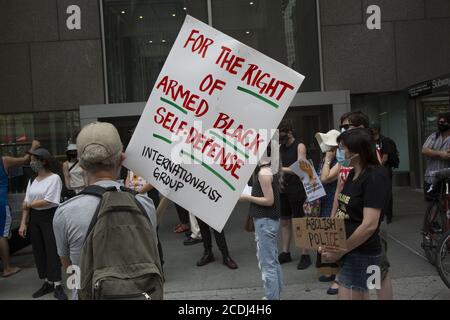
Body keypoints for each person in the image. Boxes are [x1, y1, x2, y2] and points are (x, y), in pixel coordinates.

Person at [53, 122, 158, 300]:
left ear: (81, 163)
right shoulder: (144, 204)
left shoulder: (65, 213)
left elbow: (68, 264)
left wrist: (78, 292)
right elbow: (151, 252)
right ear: (122, 158)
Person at [322, 128, 390, 300]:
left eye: (342, 148)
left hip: (363, 252)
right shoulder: (353, 172)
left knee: (372, 285)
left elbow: (369, 225)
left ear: (356, 152)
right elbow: (343, 208)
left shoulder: (375, 176)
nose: (339, 153)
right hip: (351, 251)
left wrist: (340, 250)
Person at [18, 148, 67, 300]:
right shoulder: (32, 180)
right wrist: (23, 223)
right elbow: (25, 202)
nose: (31, 163)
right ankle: (47, 282)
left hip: (49, 217)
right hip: (35, 218)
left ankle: (58, 284)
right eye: (31, 160)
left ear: (43, 161)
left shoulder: (54, 178)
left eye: (34, 160)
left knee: (52, 249)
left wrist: (29, 205)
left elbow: (50, 200)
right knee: (39, 250)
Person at [240, 144, 283, 300]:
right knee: (272, 260)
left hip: (265, 221)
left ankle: (272, 297)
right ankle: (275, 294)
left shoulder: (263, 172)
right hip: (268, 220)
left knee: (268, 263)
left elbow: (268, 200)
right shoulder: (268, 170)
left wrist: (247, 197)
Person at [0, 140, 40, 277]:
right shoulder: (4, 161)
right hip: (1, 203)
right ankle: (7, 268)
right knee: (2, 235)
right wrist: (34, 146)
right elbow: (25, 160)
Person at [277, 120, 311, 270]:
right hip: (283, 188)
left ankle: (305, 254)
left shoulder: (299, 145)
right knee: (284, 221)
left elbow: (302, 169)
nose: (281, 139)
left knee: (299, 222)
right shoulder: (280, 146)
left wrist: (280, 169)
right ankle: (286, 252)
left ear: (289, 132)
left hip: (297, 188)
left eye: (282, 135)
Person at [314, 130, 340, 286]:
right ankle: (328, 271)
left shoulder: (339, 160)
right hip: (324, 200)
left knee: (334, 238)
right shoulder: (326, 158)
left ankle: (337, 275)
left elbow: (326, 177)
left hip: (333, 201)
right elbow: (318, 177)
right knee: (325, 236)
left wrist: (328, 161)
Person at [371, 123, 397, 224]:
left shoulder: (384, 141)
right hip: (373, 168)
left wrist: (377, 167)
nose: (371, 131)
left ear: (377, 130)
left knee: (387, 192)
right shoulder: (370, 141)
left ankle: (389, 215)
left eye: (373, 129)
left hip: (384, 169)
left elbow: (385, 157)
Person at [422, 112, 450, 201]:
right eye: (439, 122)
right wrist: (440, 153)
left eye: (444, 122)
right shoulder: (434, 136)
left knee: (446, 200)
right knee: (431, 202)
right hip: (431, 177)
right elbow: (424, 150)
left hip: (447, 177)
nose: (441, 124)